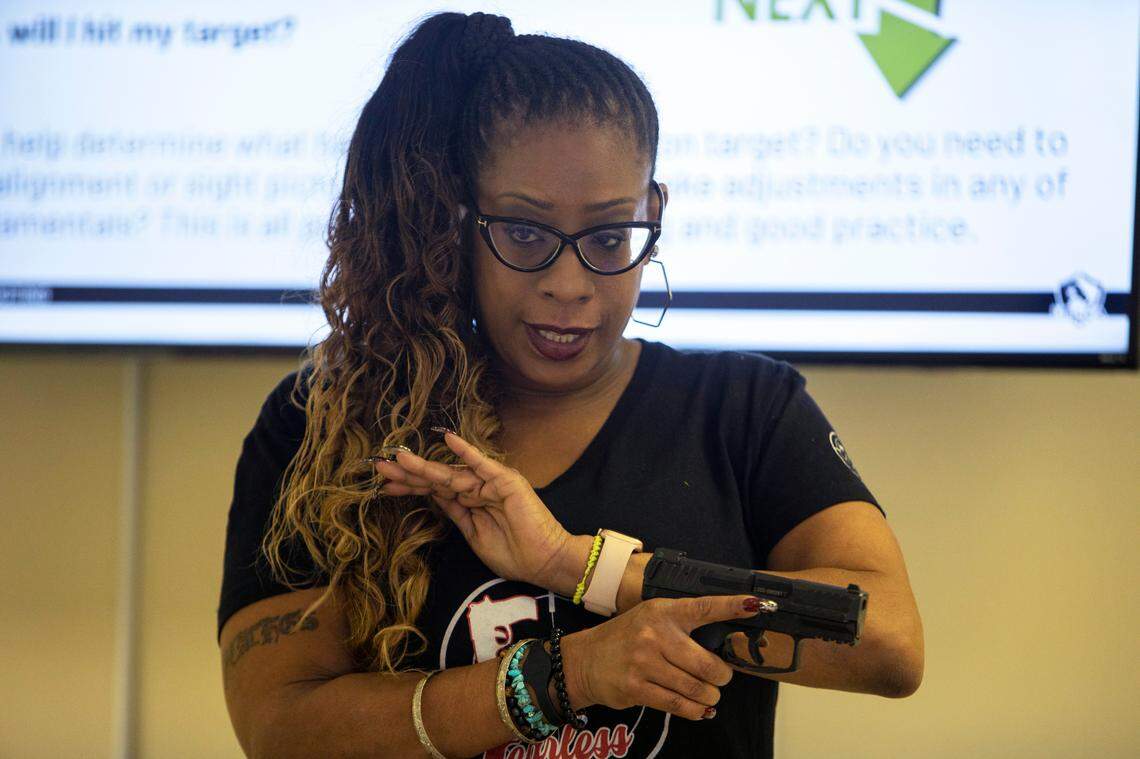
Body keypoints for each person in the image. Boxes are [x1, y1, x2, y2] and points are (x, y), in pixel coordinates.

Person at [217, 11, 923, 759]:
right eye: (524, 232)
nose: (569, 284)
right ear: (460, 223)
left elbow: (890, 641)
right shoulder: (328, 423)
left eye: (609, 237)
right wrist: (568, 674)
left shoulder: (745, 411)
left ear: (652, 214)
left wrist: (581, 566)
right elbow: (282, 729)